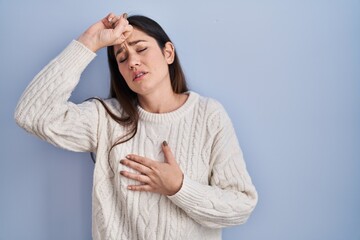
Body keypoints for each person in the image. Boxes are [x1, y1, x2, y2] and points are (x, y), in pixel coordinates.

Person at [14, 12, 258, 240]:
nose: (132, 62)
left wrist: (179, 187)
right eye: (122, 58)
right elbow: (31, 114)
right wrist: (89, 43)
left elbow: (241, 206)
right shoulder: (105, 118)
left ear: (168, 53)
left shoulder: (209, 115)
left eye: (141, 49)